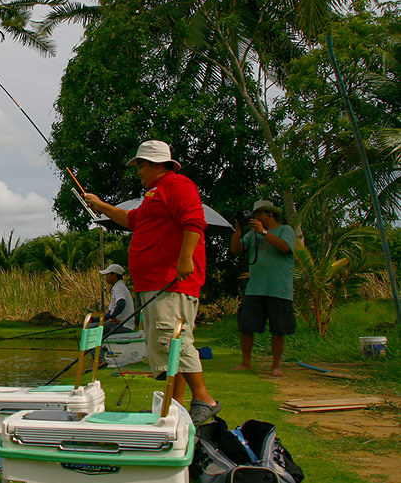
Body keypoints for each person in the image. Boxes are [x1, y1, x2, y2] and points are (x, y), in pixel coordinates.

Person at [83, 140, 221, 425]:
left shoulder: (177, 185)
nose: (139, 171)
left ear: (158, 164)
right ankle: (175, 406)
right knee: (167, 344)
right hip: (154, 285)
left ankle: (204, 398)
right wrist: (101, 206)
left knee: (175, 340)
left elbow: (194, 221)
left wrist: (185, 260)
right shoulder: (153, 196)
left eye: (141, 165)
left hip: (171, 282)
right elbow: (130, 220)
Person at [229, 199, 296, 377]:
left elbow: (285, 248)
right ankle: (246, 362)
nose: (256, 217)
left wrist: (263, 232)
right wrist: (239, 229)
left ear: (270, 214)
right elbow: (236, 249)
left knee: (278, 330)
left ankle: (276, 365)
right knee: (246, 327)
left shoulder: (285, 230)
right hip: (255, 289)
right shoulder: (253, 234)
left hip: (278, 289)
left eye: (259, 214)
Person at [100, 264, 135, 333]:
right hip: (122, 324)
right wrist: (95, 319)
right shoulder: (118, 286)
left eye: (108, 275)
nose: (106, 277)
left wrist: (112, 317)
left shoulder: (119, 287)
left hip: (124, 325)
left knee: (92, 327)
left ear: (114, 275)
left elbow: (121, 303)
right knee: (93, 325)